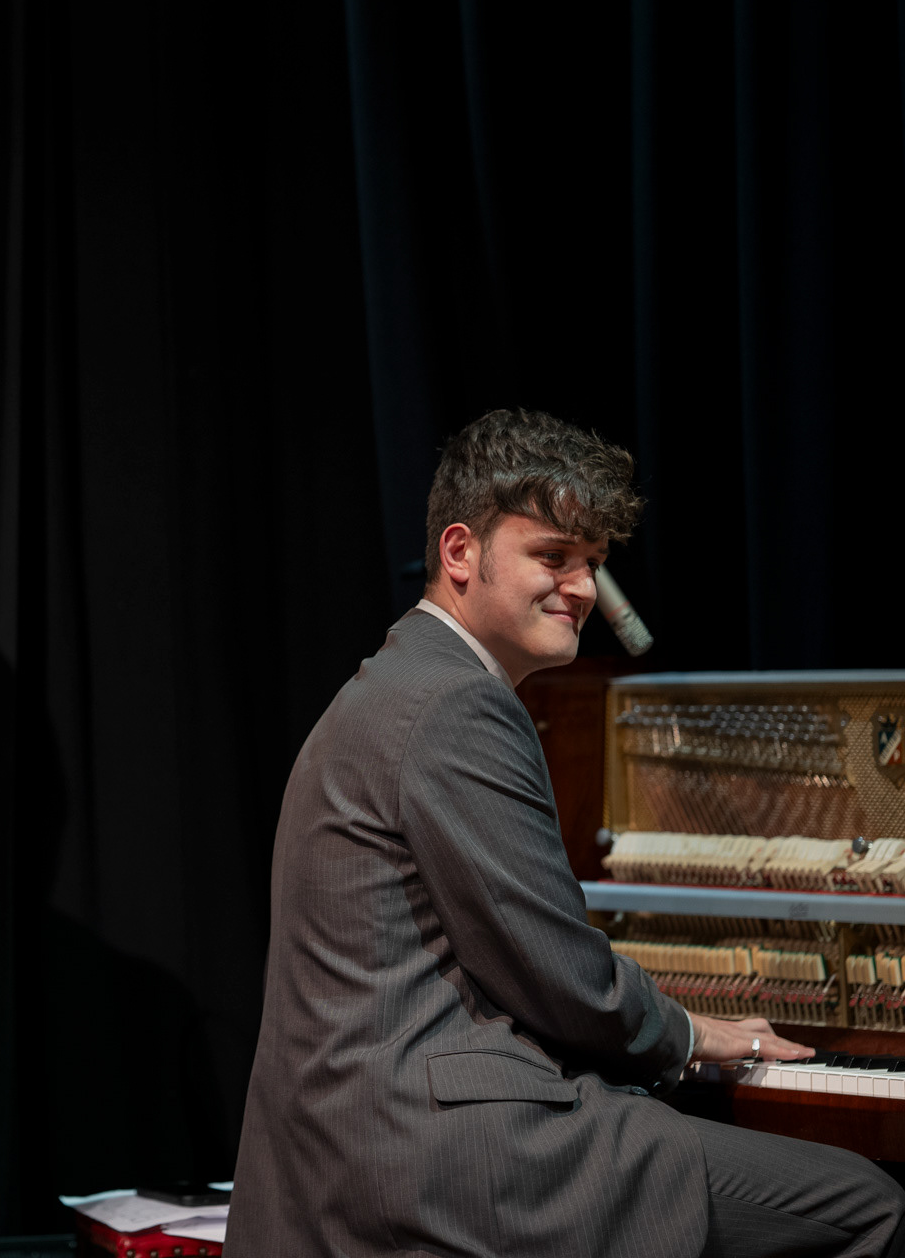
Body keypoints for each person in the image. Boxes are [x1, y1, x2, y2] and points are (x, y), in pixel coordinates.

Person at [226, 410, 905, 1257]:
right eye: (553, 557)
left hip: (367, 1136)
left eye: (593, 562)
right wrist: (692, 1034)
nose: (582, 588)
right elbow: (556, 972)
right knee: (868, 1208)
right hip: (449, 1152)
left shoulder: (398, 682)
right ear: (460, 551)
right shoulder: (456, 704)